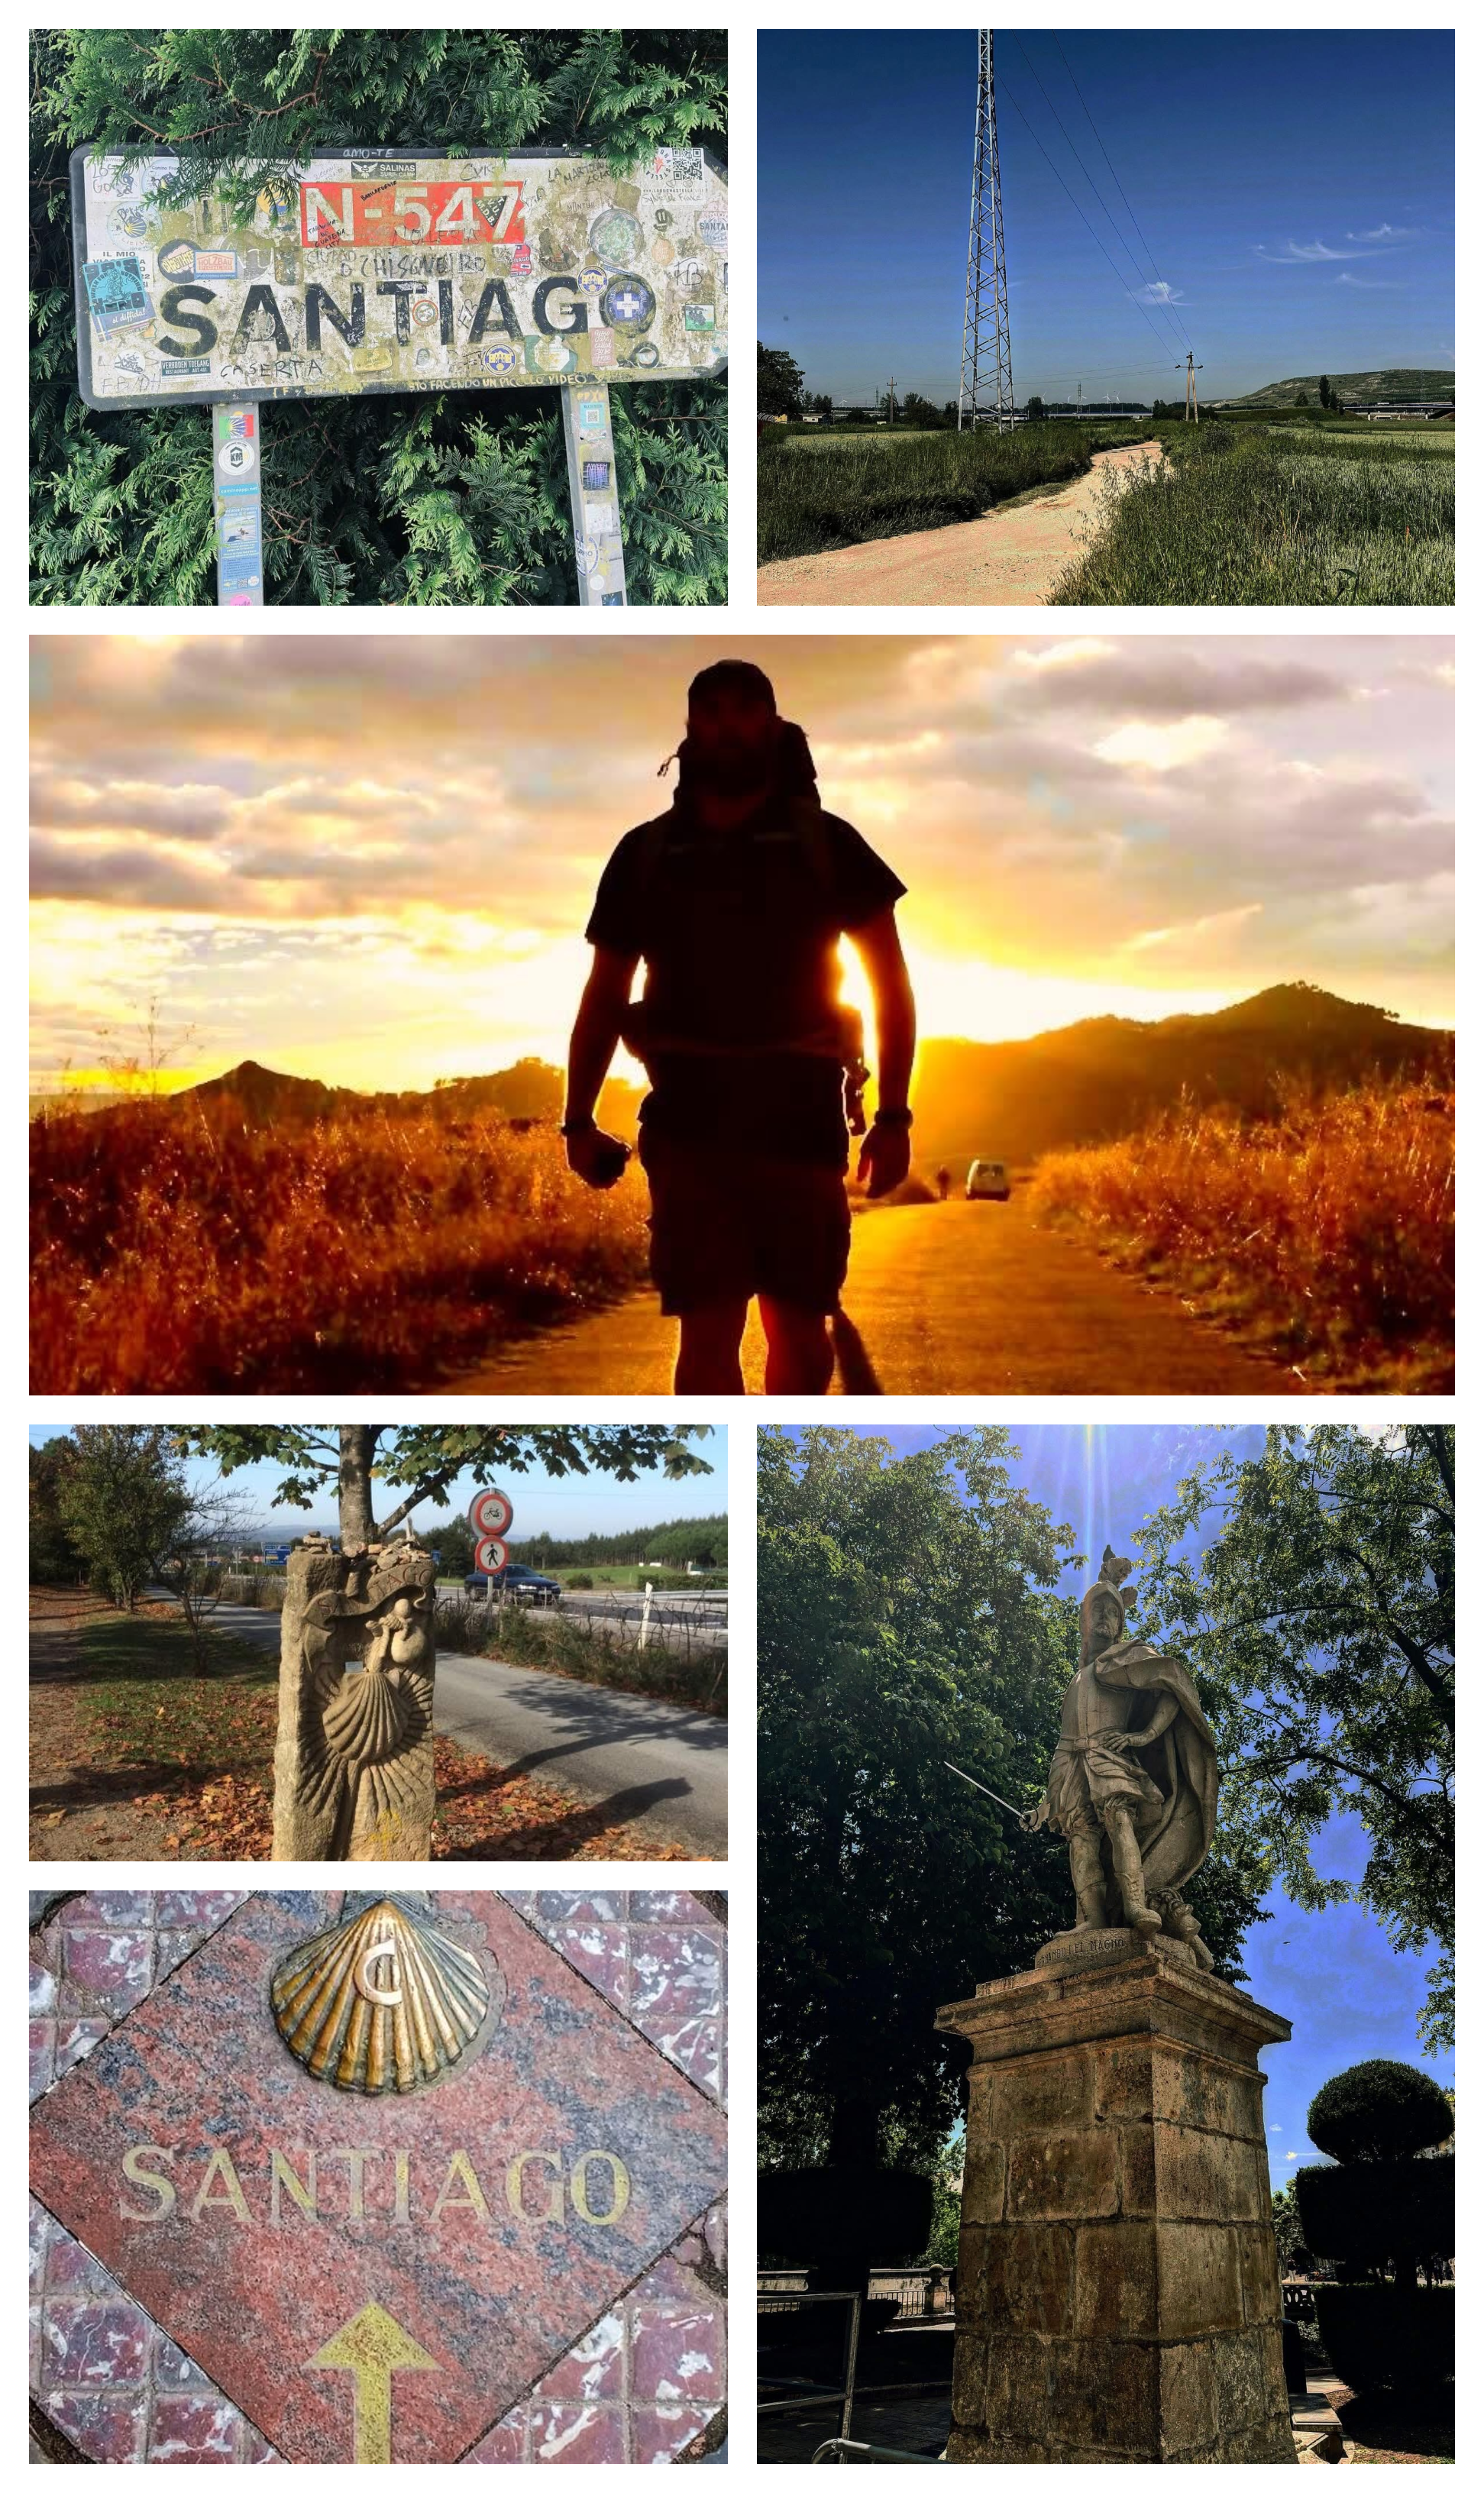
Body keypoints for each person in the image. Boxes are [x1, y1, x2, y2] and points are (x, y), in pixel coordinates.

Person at [564, 659, 915, 1419]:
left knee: (799, 1335)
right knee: (707, 1336)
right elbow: (603, 993)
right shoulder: (645, 854)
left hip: (800, 1125)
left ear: (773, 724)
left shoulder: (828, 845)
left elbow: (889, 985)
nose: (728, 725)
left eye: (744, 710)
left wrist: (893, 1117)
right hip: (689, 1130)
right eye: (712, 712)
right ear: (689, 729)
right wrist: (576, 1119)